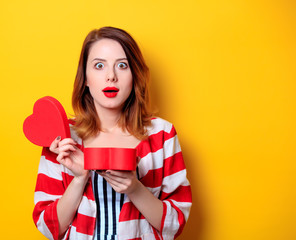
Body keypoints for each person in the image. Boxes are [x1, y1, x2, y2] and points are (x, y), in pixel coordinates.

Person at [32, 26, 192, 240]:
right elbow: (49, 227)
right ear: (86, 78)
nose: (111, 76)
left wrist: (134, 188)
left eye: (122, 66)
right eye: (99, 66)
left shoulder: (162, 135)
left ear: (135, 75)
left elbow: (175, 222)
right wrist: (80, 178)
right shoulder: (63, 138)